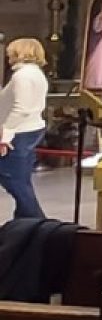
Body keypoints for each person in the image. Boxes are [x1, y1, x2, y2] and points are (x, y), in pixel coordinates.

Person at [0, 39, 51, 220]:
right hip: (29, 128)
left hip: (19, 131)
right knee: (20, 178)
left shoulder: (22, 76)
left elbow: (21, 108)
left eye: (11, 51)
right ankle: (23, 220)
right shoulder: (34, 74)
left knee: (12, 178)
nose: (8, 55)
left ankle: (36, 220)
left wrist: (5, 135)